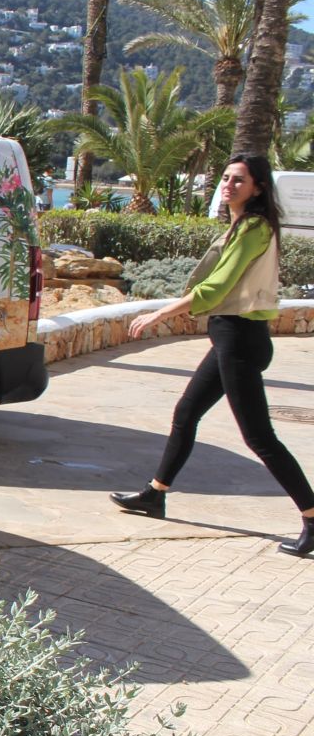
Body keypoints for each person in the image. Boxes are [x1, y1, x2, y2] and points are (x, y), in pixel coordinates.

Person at [111, 153, 314, 557]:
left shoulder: (255, 228)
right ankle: (156, 494)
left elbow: (217, 287)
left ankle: (312, 516)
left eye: (239, 180)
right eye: (225, 178)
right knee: (186, 413)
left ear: (258, 187)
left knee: (259, 437)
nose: (229, 185)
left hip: (240, 337)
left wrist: (160, 312)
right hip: (229, 335)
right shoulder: (241, 225)